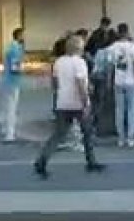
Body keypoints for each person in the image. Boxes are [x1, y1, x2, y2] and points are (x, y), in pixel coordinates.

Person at [34, 35, 105, 179]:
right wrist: (85, 102)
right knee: (87, 132)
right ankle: (91, 161)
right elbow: (80, 83)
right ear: (79, 48)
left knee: (59, 134)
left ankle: (42, 159)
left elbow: (54, 83)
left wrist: (59, 95)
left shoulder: (59, 62)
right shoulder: (79, 63)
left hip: (63, 102)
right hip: (77, 103)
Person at [107, 25, 134, 147]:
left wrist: (109, 81)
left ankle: (120, 138)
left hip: (118, 81)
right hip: (131, 81)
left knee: (119, 110)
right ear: (127, 32)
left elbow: (110, 67)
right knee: (132, 110)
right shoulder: (133, 47)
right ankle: (130, 138)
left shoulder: (112, 48)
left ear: (118, 33)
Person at [1, 28, 26, 143]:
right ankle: (10, 134)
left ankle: (4, 129)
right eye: (23, 35)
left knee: (7, 106)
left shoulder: (11, 47)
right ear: (19, 36)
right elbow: (15, 68)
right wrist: (24, 70)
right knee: (12, 108)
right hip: (13, 81)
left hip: (7, 81)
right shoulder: (15, 50)